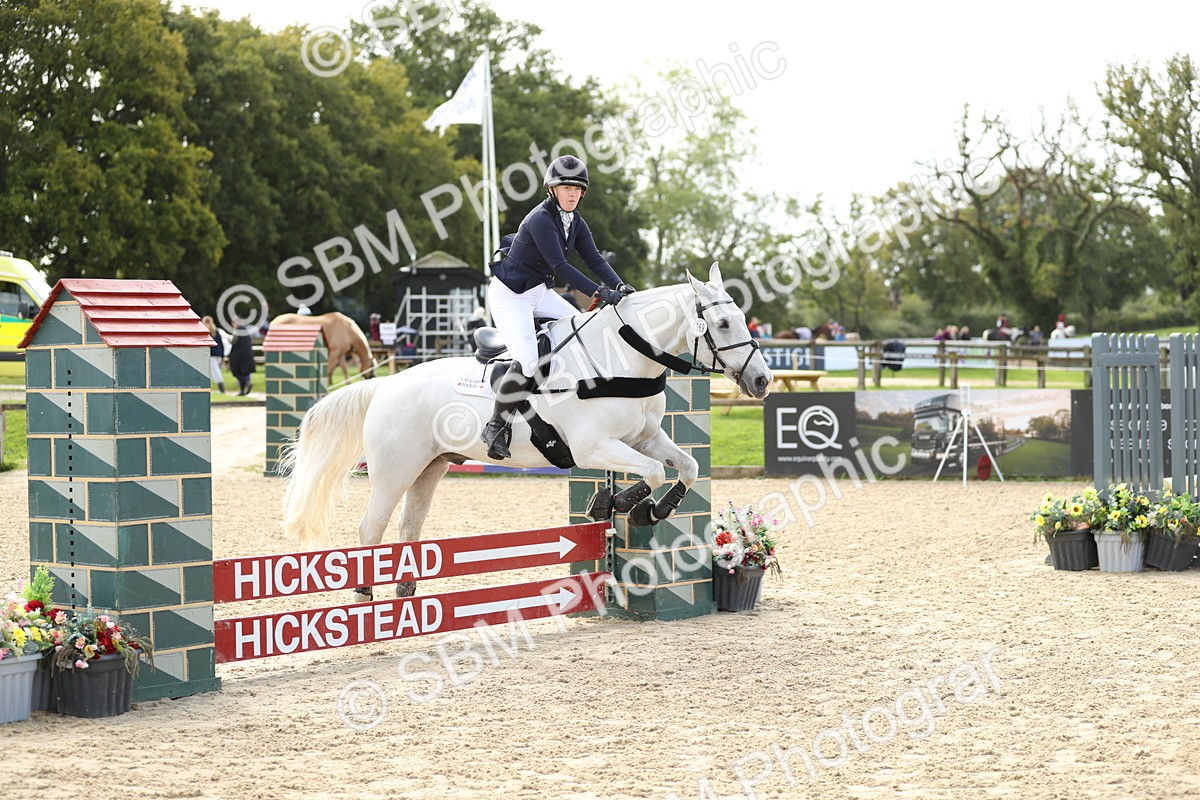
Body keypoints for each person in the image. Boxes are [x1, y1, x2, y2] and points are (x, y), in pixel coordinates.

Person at [482, 154, 634, 459]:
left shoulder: (575, 221)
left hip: (538, 291)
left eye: (578, 189)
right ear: (552, 189)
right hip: (510, 294)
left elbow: (594, 259)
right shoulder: (540, 219)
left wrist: (620, 286)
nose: (573, 193)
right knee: (527, 360)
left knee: (583, 331)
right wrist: (600, 292)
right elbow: (560, 266)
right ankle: (496, 425)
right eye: (567, 188)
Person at [201, 315, 226, 393]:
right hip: (216, 354)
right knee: (211, 371)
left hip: (212, 355)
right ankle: (209, 387)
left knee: (215, 371)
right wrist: (222, 355)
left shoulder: (207, 333)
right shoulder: (216, 332)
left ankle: (221, 388)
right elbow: (221, 345)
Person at [228, 332, 256, 396]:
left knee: (236, 372)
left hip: (238, 355)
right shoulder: (246, 332)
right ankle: (243, 391)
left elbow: (233, 341)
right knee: (243, 373)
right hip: (246, 355)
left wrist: (229, 338)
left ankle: (246, 384)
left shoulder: (238, 332)